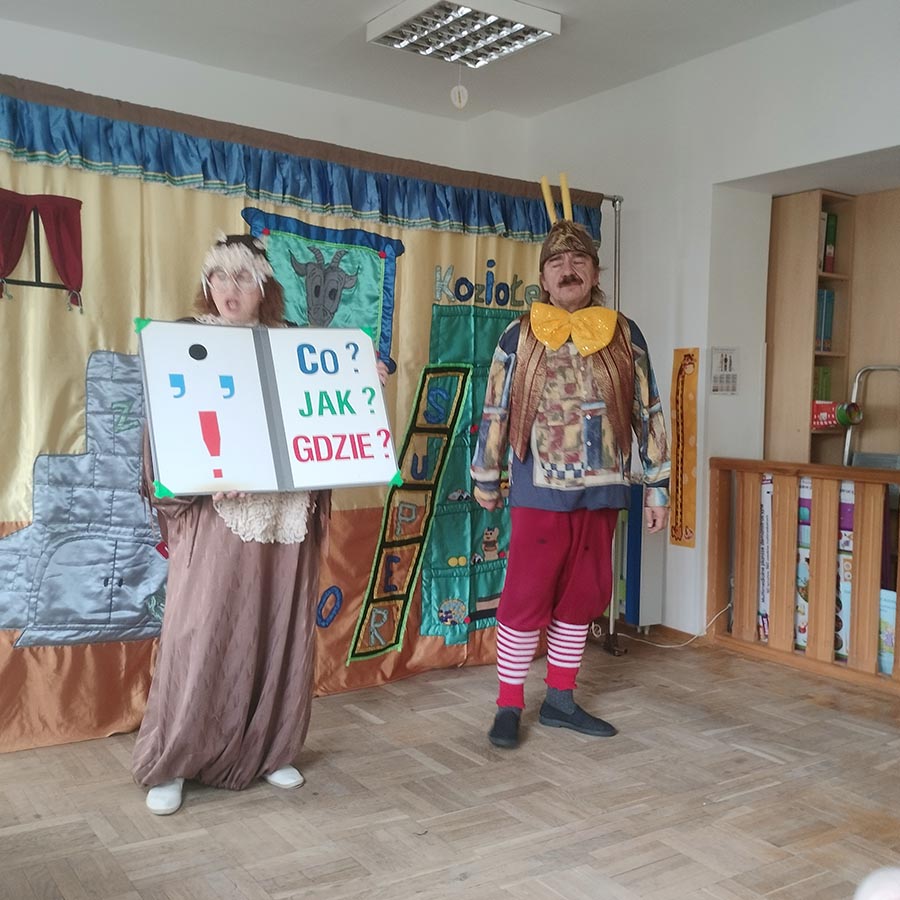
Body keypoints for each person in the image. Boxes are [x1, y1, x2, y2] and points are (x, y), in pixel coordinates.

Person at [133, 233, 332, 814]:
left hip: (285, 509)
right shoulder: (185, 340)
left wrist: (360, 382)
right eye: (218, 276)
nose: (228, 288)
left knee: (278, 627)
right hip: (218, 509)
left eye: (242, 276)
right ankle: (174, 760)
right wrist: (195, 476)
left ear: (264, 286)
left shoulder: (293, 345)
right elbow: (164, 431)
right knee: (201, 632)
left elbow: (326, 418)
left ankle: (268, 749)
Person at [470, 217, 670, 749]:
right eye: (557, 262)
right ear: (543, 277)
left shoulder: (624, 334)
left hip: (604, 487)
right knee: (525, 596)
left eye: (579, 260)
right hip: (538, 489)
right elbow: (495, 408)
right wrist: (486, 475)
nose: (568, 269)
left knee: (583, 596)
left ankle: (560, 699)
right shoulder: (518, 335)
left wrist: (657, 487)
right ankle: (509, 704)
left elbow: (648, 409)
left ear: (595, 272)